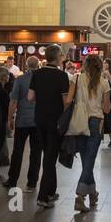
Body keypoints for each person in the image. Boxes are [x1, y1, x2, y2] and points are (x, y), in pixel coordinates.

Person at [67, 53, 111, 212]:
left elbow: (67, 100)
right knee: (90, 160)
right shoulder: (104, 82)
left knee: (87, 160)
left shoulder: (76, 78)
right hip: (96, 122)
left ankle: (93, 193)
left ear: (85, 65)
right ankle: (80, 196)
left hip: (79, 121)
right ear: (100, 66)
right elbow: (107, 109)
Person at [28, 44, 70, 209]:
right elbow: (65, 102)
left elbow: (30, 97)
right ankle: (43, 196)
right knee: (50, 158)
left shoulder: (37, 74)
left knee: (48, 154)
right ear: (58, 57)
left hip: (39, 119)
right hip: (55, 121)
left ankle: (51, 191)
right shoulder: (62, 76)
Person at [5, 56, 42, 193]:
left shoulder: (20, 80)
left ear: (26, 66)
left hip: (22, 120)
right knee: (36, 152)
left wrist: (10, 119)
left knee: (17, 151)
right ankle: (32, 183)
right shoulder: (41, 80)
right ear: (38, 65)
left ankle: (12, 180)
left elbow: (13, 101)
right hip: (38, 121)